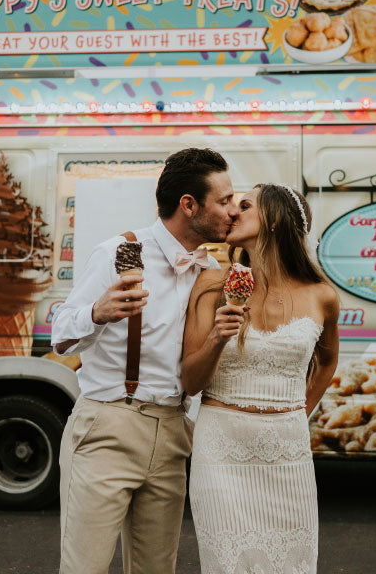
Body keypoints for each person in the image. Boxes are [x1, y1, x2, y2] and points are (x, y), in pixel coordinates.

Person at [51, 147, 238, 574]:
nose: (232, 210)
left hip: (173, 432)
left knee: (156, 568)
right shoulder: (120, 251)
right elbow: (59, 334)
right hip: (109, 426)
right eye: (224, 201)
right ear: (189, 205)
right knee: (85, 567)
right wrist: (96, 313)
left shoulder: (209, 270)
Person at [182, 183, 340, 574]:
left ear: (273, 218)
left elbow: (328, 362)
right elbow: (190, 381)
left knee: (290, 564)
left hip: (287, 453)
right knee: (228, 564)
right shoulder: (213, 284)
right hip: (221, 449)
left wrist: (297, 412)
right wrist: (218, 337)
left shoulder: (322, 295)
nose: (232, 211)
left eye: (244, 204)